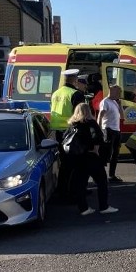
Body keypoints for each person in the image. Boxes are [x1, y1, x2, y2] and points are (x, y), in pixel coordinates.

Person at [67, 103, 118, 215]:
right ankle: (104, 207)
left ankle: (84, 209)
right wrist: (95, 150)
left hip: (78, 158)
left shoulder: (72, 124)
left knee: (81, 184)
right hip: (91, 157)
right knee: (102, 181)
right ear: (88, 111)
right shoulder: (90, 123)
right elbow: (97, 138)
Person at [50, 69, 87, 199]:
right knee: (74, 164)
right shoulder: (76, 94)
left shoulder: (56, 93)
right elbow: (80, 115)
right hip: (71, 132)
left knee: (65, 164)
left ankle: (64, 190)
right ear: (75, 80)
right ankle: (70, 192)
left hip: (58, 133)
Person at [97, 85, 124, 182]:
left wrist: (120, 105)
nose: (119, 95)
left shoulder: (115, 102)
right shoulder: (105, 102)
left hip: (116, 130)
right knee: (105, 154)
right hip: (108, 130)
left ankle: (112, 175)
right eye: (118, 93)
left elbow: (122, 116)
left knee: (115, 154)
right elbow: (100, 115)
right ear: (112, 91)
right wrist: (99, 129)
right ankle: (100, 176)